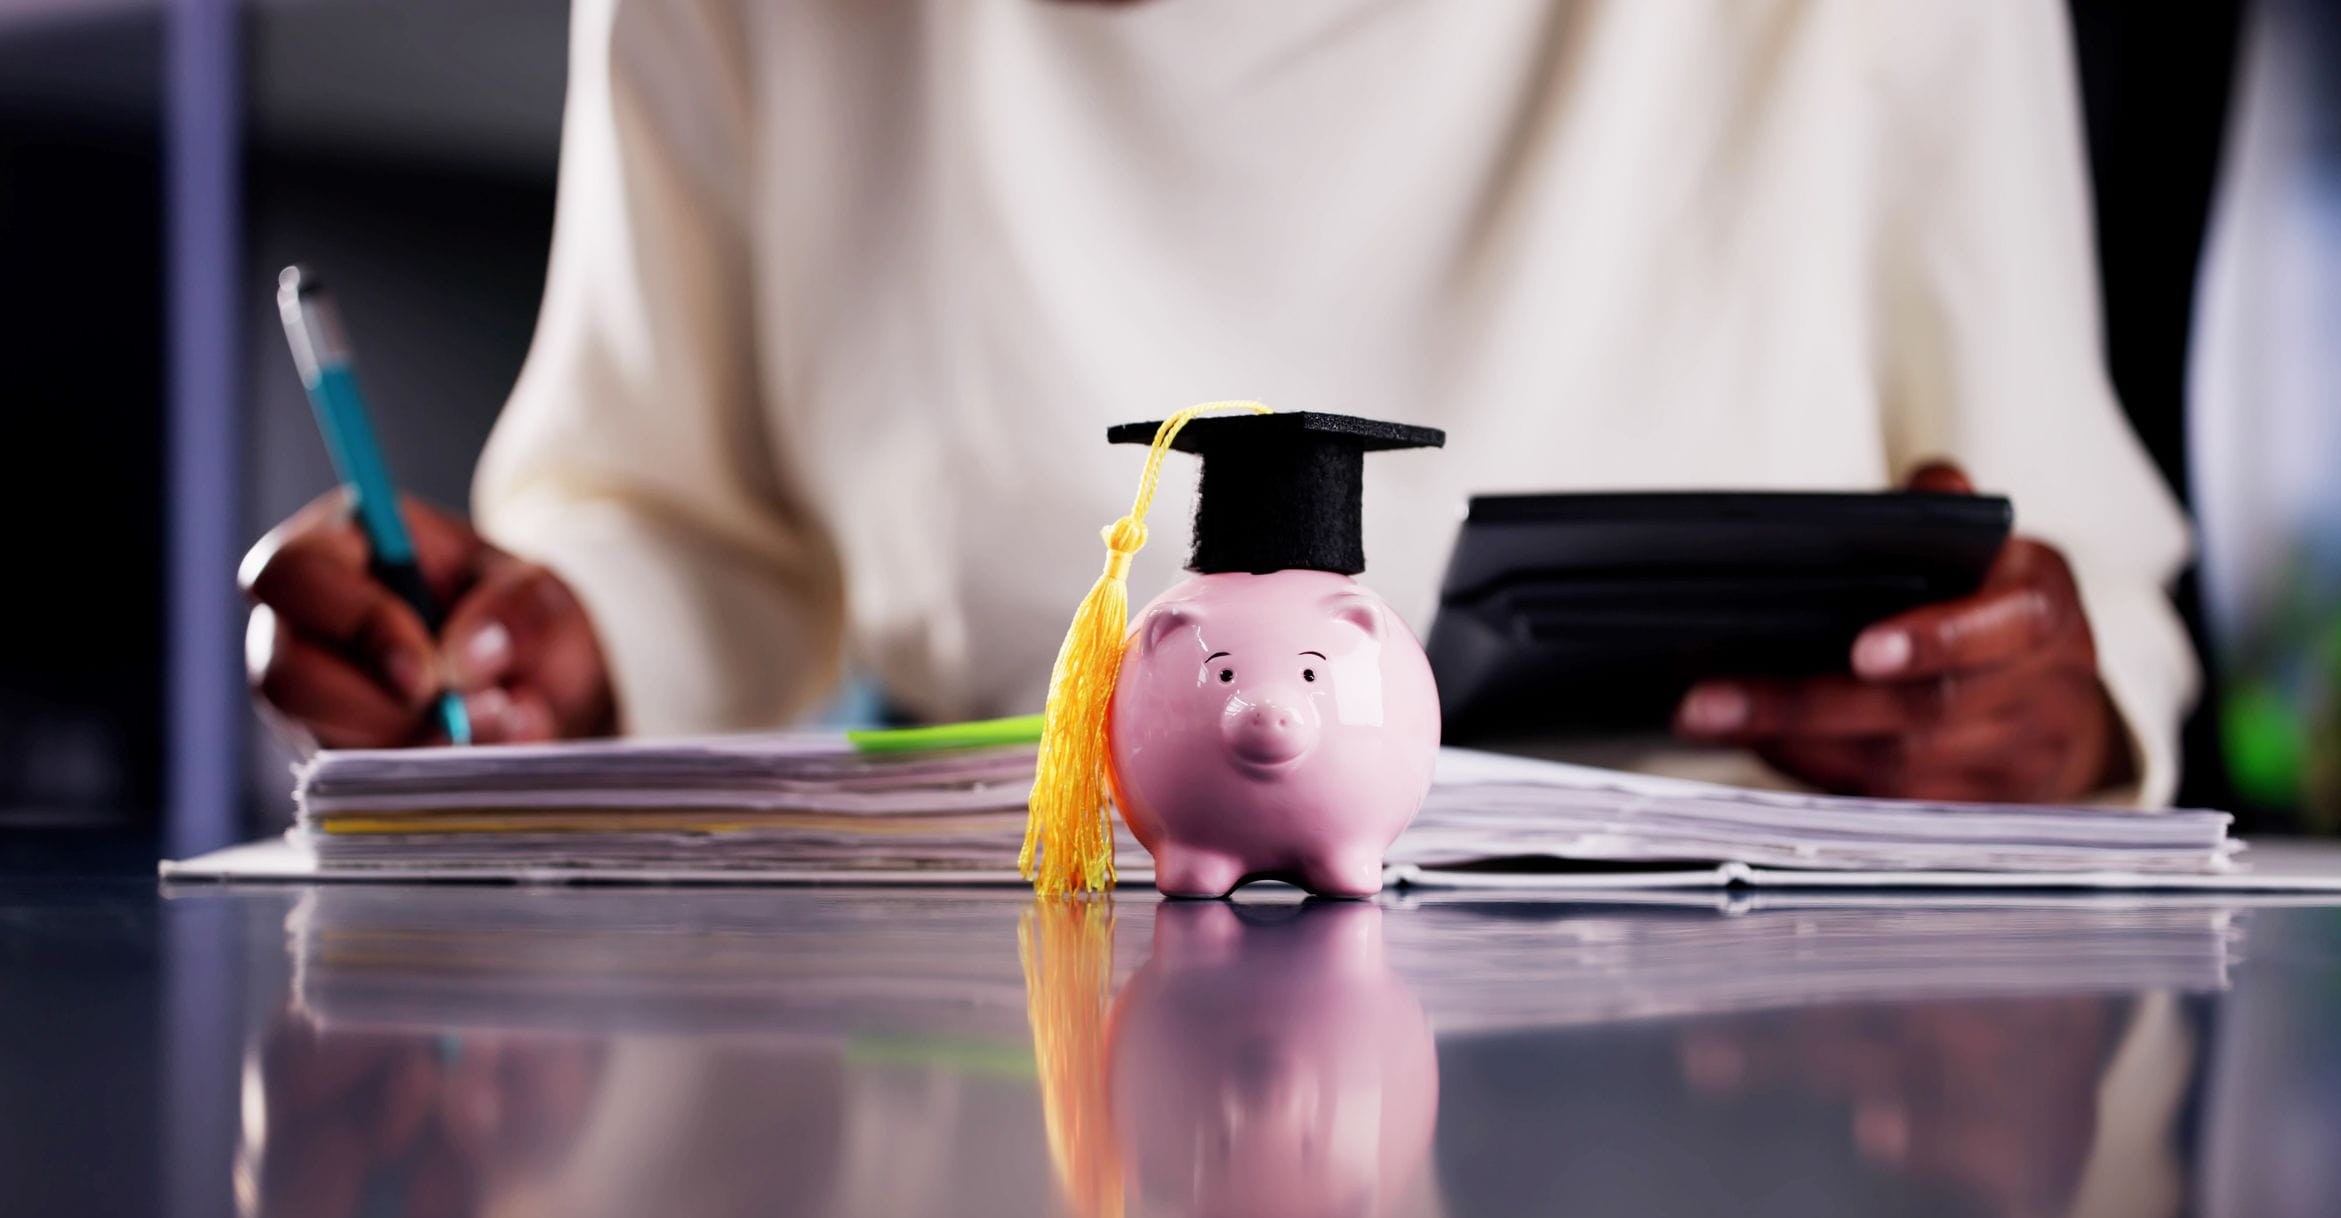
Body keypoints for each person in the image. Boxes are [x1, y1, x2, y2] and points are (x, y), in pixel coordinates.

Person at [240, 0, 2195, 805]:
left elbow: (2076, 572)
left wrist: (2040, 705)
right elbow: (666, 520)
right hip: (993, 1024)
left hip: (1766, 1024)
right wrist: (542, 656)